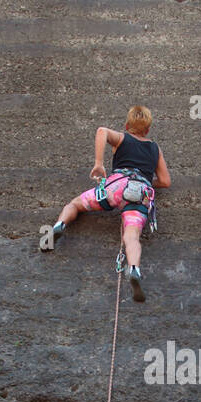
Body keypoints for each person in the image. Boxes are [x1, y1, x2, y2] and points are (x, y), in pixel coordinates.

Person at [47, 106, 171, 302]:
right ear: (148, 129)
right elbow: (165, 181)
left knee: (75, 204)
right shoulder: (155, 148)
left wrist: (99, 163)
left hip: (115, 187)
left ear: (127, 125)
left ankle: (59, 225)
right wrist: (144, 180)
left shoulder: (122, 138)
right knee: (132, 236)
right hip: (141, 193)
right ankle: (134, 268)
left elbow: (101, 131)